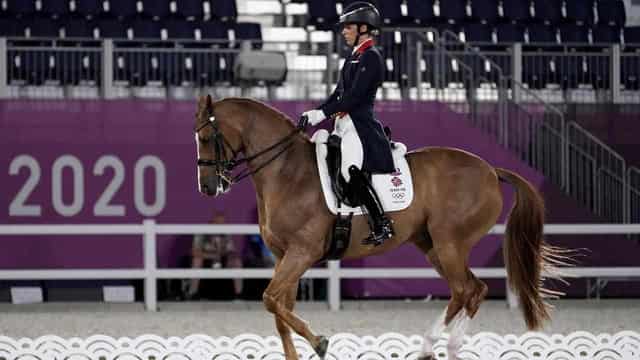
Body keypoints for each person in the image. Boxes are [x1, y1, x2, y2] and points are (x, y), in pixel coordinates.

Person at [301, 1, 395, 246]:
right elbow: (338, 95)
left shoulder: (371, 57)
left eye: (348, 27)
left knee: (349, 168)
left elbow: (353, 98)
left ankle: (381, 222)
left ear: (364, 28)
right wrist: (316, 112)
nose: (344, 31)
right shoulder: (353, 57)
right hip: (342, 124)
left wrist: (322, 115)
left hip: (359, 126)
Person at [184, 211, 242, 300]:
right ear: (212, 222)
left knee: (236, 261)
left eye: (222, 223)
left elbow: (231, 251)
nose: (220, 225)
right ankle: (192, 293)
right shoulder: (202, 232)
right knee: (196, 260)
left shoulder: (226, 233)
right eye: (218, 223)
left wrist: (225, 254)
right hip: (206, 259)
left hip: (222, 258)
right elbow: (195, 252)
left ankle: (238, 294)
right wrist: (212, 255)